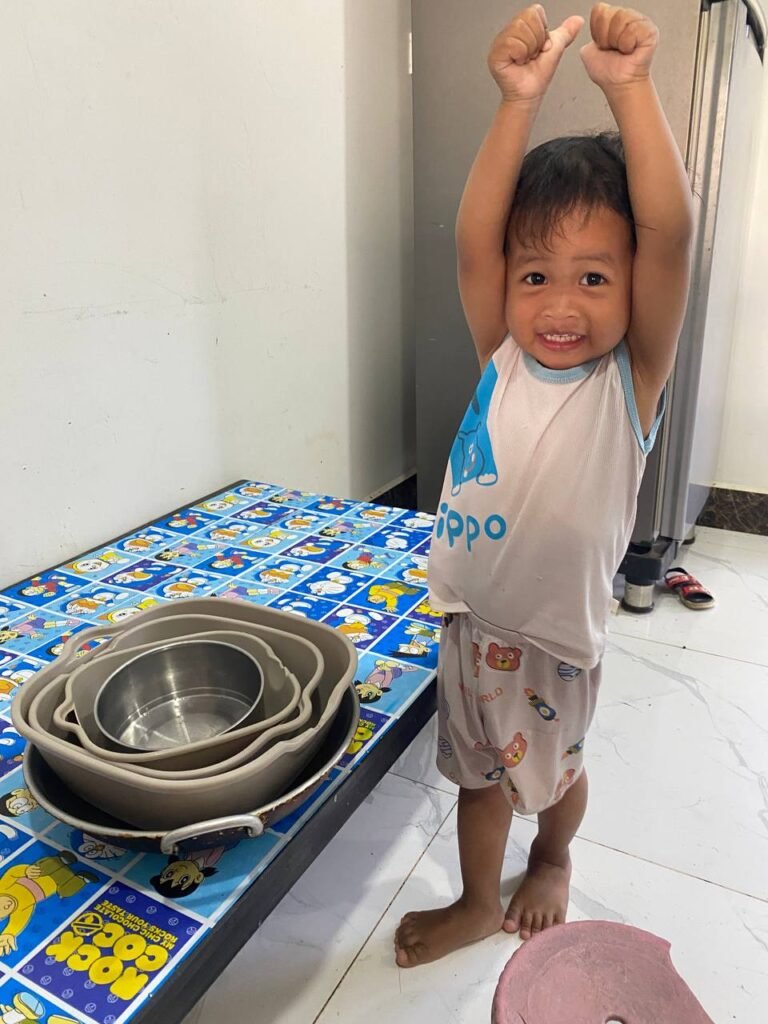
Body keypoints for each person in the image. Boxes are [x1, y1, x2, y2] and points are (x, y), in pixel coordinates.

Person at [395, 3, 693, 967]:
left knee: (554, 779)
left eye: (595, 279)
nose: (561, 305)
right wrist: (515, 103)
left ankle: (553, 857)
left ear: (635, 287)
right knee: (477, 781)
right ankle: (478, 900)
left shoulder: (630, 380)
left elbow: (670, 234)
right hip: (468, 621)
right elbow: (476, 240)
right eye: (537, 278)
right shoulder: (502, 354)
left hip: (554, 646)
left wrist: (631, 90)